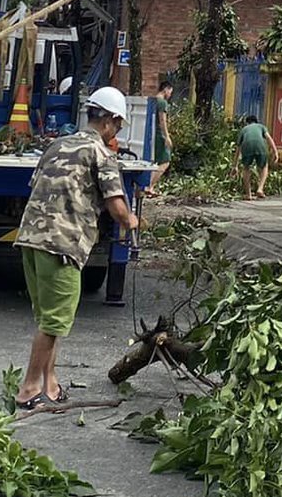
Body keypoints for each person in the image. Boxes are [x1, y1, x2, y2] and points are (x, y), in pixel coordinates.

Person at [13, 85, 139, 408]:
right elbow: (117, 208)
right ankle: (28, 390)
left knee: (49, 321)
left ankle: (49, 385)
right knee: (55, 322)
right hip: (62, 244)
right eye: (118, 126)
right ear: (109, 122)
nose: (117, 133)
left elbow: (39, 186)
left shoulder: (56, 145)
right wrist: (133, 222)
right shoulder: (101, 154)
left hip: (31, 238)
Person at [147, 77, 176, 195]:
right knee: (165, 161)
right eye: (170, 92)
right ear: (166, 89)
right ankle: (150, 186)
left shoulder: (152, 100)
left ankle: (147, 185)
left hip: (151, 134)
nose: (170, 94)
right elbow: (162, 121)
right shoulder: (162, 103)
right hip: (160, 135)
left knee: (153, 162)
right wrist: (167, 137)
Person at [236, 114, 273, 199]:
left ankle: (248, 194)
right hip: (260, 146)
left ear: (247, 123)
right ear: (256, 122)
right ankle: (260, 189)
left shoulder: (244, 129)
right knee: (264, 167)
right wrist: (275, 152)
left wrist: (235, 166)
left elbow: (238, 149)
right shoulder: (261, 127)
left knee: (246, 168)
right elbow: (269, 139)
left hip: (247, 147)